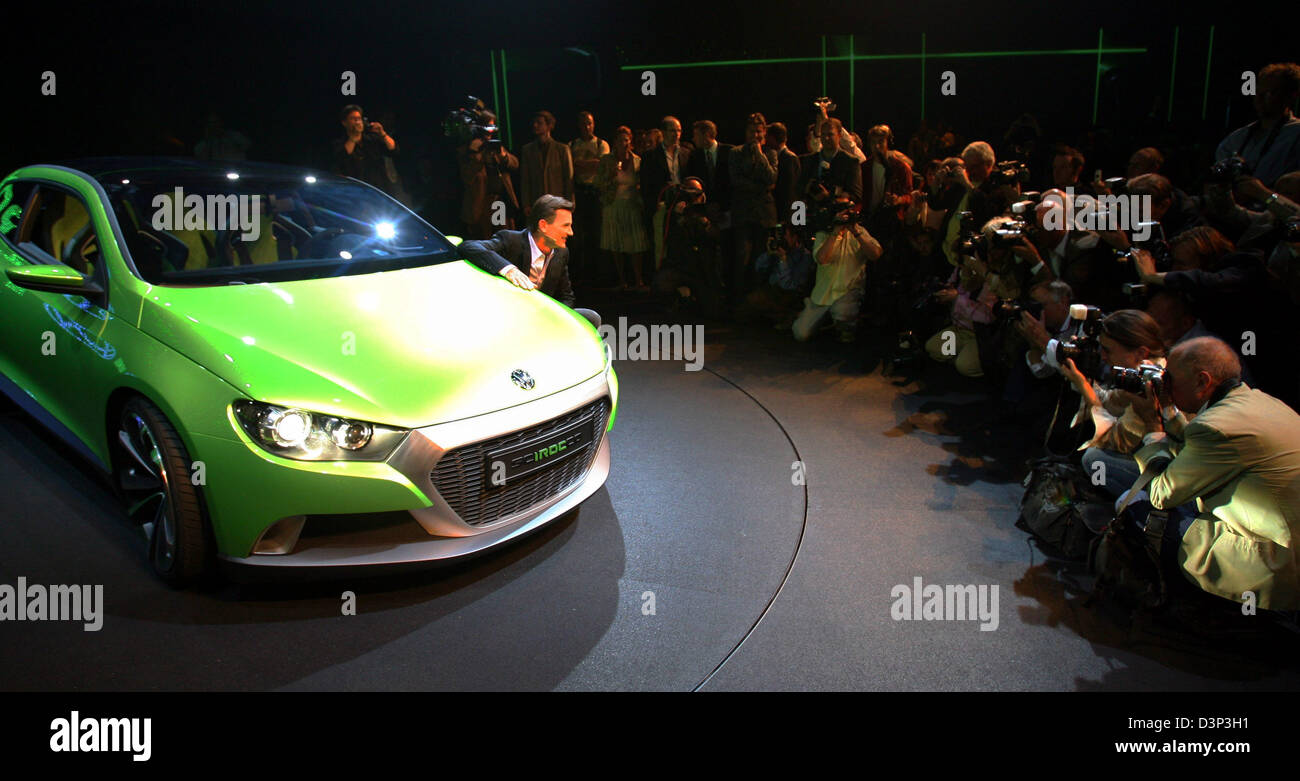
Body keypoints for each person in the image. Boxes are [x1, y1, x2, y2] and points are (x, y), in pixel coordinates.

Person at [1131, 336, 1300, 609]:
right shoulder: (1264, 402)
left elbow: (1161, 494)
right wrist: (1167, 410)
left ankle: (1182, 609)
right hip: (1290, 546)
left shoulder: (1215, 427)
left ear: (1202, 381)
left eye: (1169, 378)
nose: (1165, 384)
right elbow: (1198, 447)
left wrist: (1152, 426)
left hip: (1276, 563)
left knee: (1138, 505)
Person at [459, 195, 599, 328]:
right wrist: (509, 270)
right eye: (565, 225)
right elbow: (469, 247)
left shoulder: (561, 253)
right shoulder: (511, 240)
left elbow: (566, 297)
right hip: (510, 316)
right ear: (543, 225)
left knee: (591, 318)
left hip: (543, 316)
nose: (571, 232)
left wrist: (555, 318)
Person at [793, 198, 882, 342]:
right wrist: (835, 231)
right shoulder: (824, 233)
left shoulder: (860, 231)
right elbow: (822, 259)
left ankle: (846, 326)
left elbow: (875, 254)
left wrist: (856, 232)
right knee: (800, 333)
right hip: (823, 293)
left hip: (847, 291)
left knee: (842, 312)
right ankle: (824, 319)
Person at [1214, 62, 1300, 188]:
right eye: (1258, 91)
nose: (1259, 98)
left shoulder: (1296, 133)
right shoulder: (1236, 139)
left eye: (1269, 93)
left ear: (1291, 96)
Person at [595, 126, 650, 290]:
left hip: (632, 205)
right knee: (616, 243)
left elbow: (642, 183)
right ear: (615, 142)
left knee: (636, 244)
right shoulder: (607, 160)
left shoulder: (637, 160)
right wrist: (611, 176)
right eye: (620, 140)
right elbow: (598, 184)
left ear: (630, 141)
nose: (623, 143)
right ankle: (622, 280)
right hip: (613, 205)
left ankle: (638, 280)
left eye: (626, 140)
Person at [569, 111, 610, 283]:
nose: (587, 127)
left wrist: (580, 164)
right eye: (583, 123)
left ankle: (599, 273)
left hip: (596, 193)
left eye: (589, 123)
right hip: (579, 193)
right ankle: (581, 274)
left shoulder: (601, 144)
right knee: (578, 235)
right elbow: (571, 167)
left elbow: (602, 165)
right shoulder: (572, 145)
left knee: (597, 233)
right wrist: (591, 164)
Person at [457, 131, 520, 239]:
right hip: (480, 203)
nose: (489, 134)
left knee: (501, 236)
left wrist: (503, 156)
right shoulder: (467, 150)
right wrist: (475, 154)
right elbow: (467, 177)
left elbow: (515, 164)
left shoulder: (493, 146)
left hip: (497, 201)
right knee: (484, 238)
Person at [333, 104, 400, 197]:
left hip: (380, 189)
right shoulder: (340, 143)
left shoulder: (371, 139)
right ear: (344, 122)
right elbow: (342, 159)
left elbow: (393, 149)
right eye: (353, 119)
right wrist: (353, 138)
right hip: (357, 192)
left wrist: (382, 133)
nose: (357, 121)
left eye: (359, 118)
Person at [520, 111, 574, 219]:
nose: (535, 125)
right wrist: (526, 204)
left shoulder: (562, 149)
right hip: (537, 202)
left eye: (539, 123)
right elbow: (525, 179)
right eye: (534, 122)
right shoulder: (527, 150)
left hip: (557, 202)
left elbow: (568, 178)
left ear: (549, 126)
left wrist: (570, 203)